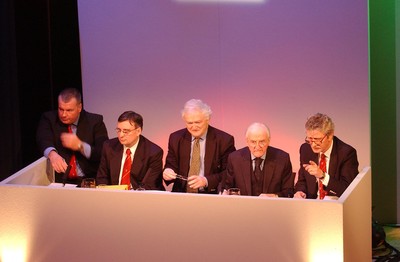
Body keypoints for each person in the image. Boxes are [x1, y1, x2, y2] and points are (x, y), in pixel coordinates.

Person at [36, 88, 109, 185]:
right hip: (61, 180)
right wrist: (52, 154)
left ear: (79, 107)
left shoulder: (95, 121)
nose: (64, 114)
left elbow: (102, 153)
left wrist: (80, 146)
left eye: (69, 110)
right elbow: (43, 139)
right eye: (61, 109)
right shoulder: (49, 119)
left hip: (88, 180)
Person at [163, 99, 236, 194]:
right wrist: (167, 172)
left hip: (211, 195)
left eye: (197, 122)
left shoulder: (224, 140)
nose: (193, 127)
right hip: (181, 194)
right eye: (189, 123)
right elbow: (171, 165)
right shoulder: (175, 138)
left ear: (208, 119)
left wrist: (206, 181)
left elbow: (229, 172)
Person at [294, 113, 359, 199]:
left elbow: (348, 190)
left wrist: (323, 176)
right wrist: (300, 191)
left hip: (335, 206)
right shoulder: (305, 149)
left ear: (330, 136)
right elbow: (302, 181)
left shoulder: (346, 153)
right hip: (312, 205)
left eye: (317, 139)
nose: (313, 145)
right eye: (309, 139)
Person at [96, 111, 164, 190]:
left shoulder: (153, 152)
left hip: (140, 198)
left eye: (126, 131)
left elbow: (149, 185)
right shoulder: (108, 146)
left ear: (138, 131)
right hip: (113, 196)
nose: (121, 135)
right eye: (118, 130)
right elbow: (102, 178)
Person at [224, 122, 294, 197]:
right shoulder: (234, 158)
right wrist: (226, 193)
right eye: (253, 142)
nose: (257, 146)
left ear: (268, 141)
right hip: (243, 207)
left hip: (272, 207)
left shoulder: (283, 159)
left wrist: (275, 196)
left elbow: (289, 191)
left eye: (262, 141)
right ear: (247, 141)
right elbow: (227, 187)